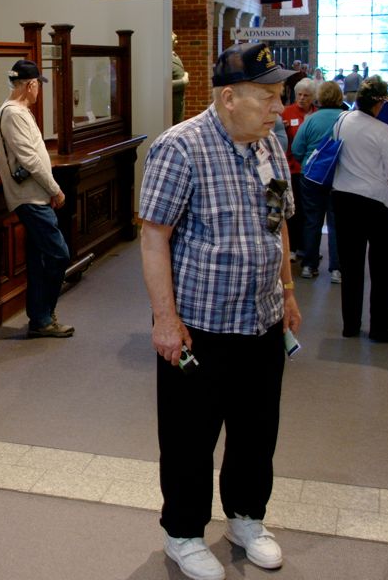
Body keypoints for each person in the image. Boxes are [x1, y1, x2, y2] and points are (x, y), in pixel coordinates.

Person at [139, 42, 300, 580]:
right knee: (189, 436)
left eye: (281, 96)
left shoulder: (269, 144)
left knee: (257, 430)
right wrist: (165, 319)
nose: (280, 107)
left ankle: (246, 518)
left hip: (263, 319)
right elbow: (154, 237)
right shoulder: (180, 148)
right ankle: (183, 533)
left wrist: (290, 294)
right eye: (269, 97)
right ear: (229, 97)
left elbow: (279, 220)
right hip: (200, 328)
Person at [0, 59, 74, 338]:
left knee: (42, 257)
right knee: (58, 254)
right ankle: (43, 316)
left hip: (36, 195)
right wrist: (55, 189)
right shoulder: (13, 114)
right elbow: (30, 160)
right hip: (29, 197)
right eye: (38, 84)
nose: (39, 90)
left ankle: (40, 319)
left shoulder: (20, 111)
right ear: (29, 85)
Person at [331, 77, 388, 343]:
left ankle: (350, 325)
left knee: (351, 265)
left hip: (344, 198)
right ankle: (379, 328)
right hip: (377, 203)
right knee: (383, 267)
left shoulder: (341, 121)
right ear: (378, 103)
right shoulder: (383, 131)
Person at [291, 80, 345, 282]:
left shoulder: (310, 120)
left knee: (311, 220)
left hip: (311, 175)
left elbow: (296, 149)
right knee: (335, 223)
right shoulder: (345, 119)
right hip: (338, 176)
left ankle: (308, 265)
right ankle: (337, 269)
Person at [281, 78, 316, 262]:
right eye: (299, 95)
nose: (302, 98)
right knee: (293, 211)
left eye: (306, 95)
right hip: (292, 169)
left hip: (310, 172)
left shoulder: (316, 114)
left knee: (307, 212)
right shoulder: (286, 113)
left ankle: (305, 247)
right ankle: (292, 248)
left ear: (313, 98)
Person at [171, 32, 190, 125]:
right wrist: (183, 82)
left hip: (178, 102)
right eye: (171, 33)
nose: (175, 35)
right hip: (171, 104)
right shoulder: (164, 57)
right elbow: (161, 83)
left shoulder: (173, 55)